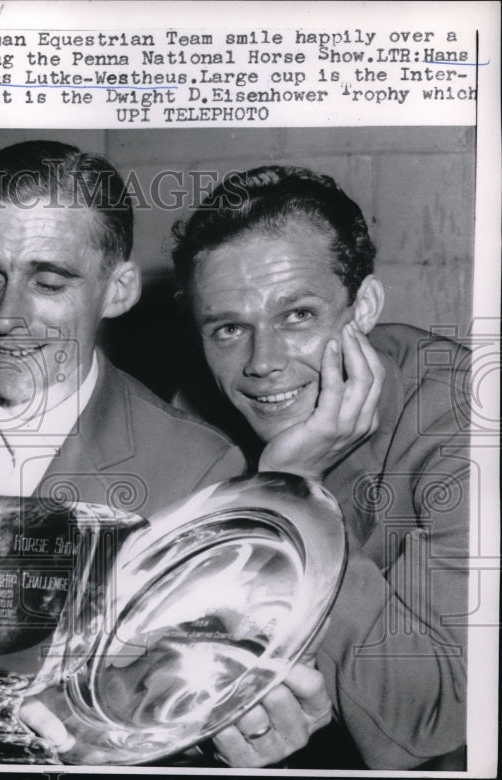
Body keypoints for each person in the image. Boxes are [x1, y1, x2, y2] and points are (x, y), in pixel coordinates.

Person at [0, 141, 331, 766]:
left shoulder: (200, 471)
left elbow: (176, 710)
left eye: (49, 280)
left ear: (117, 290)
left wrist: (227, 751)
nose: (8, 317)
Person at [172, 165, 469, 769]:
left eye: (297, 316)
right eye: (229, 328)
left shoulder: (467, 426)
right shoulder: (191, 419)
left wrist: (289, 495)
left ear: (363, 308)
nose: (261, 363)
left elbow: (435, 719)